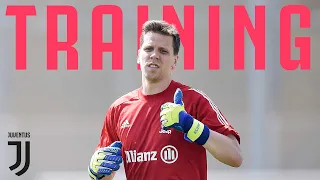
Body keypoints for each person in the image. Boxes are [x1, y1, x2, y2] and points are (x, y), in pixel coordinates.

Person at [88, 20, 243, 180]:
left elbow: (235, 156)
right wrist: (96, 172)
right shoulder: (119, 109)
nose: (154, 55)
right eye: (148, 49)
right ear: (138, 56)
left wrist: (191, 126)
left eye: (163, 51)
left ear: (174, 61)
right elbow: (106, 173)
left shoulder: (193, 100)